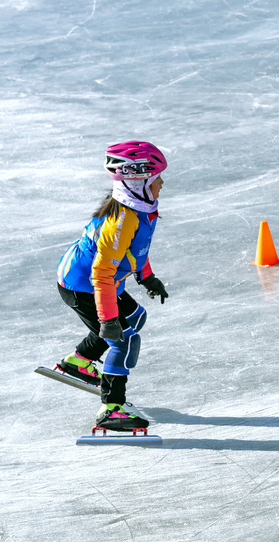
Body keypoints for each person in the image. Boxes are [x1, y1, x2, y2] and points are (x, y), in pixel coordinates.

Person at [55, 141, 170, 431]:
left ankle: (79, 361)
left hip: (102, 282)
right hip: (83, 286)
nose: (162, 183)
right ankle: (112, 407)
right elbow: (102, 273)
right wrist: (108, 321)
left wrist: (147, 277)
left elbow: (135, 250)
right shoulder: (121, 220)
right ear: (138, 181)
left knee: (135, 317)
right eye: (157, 178)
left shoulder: (138, 209)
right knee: (123, 338)